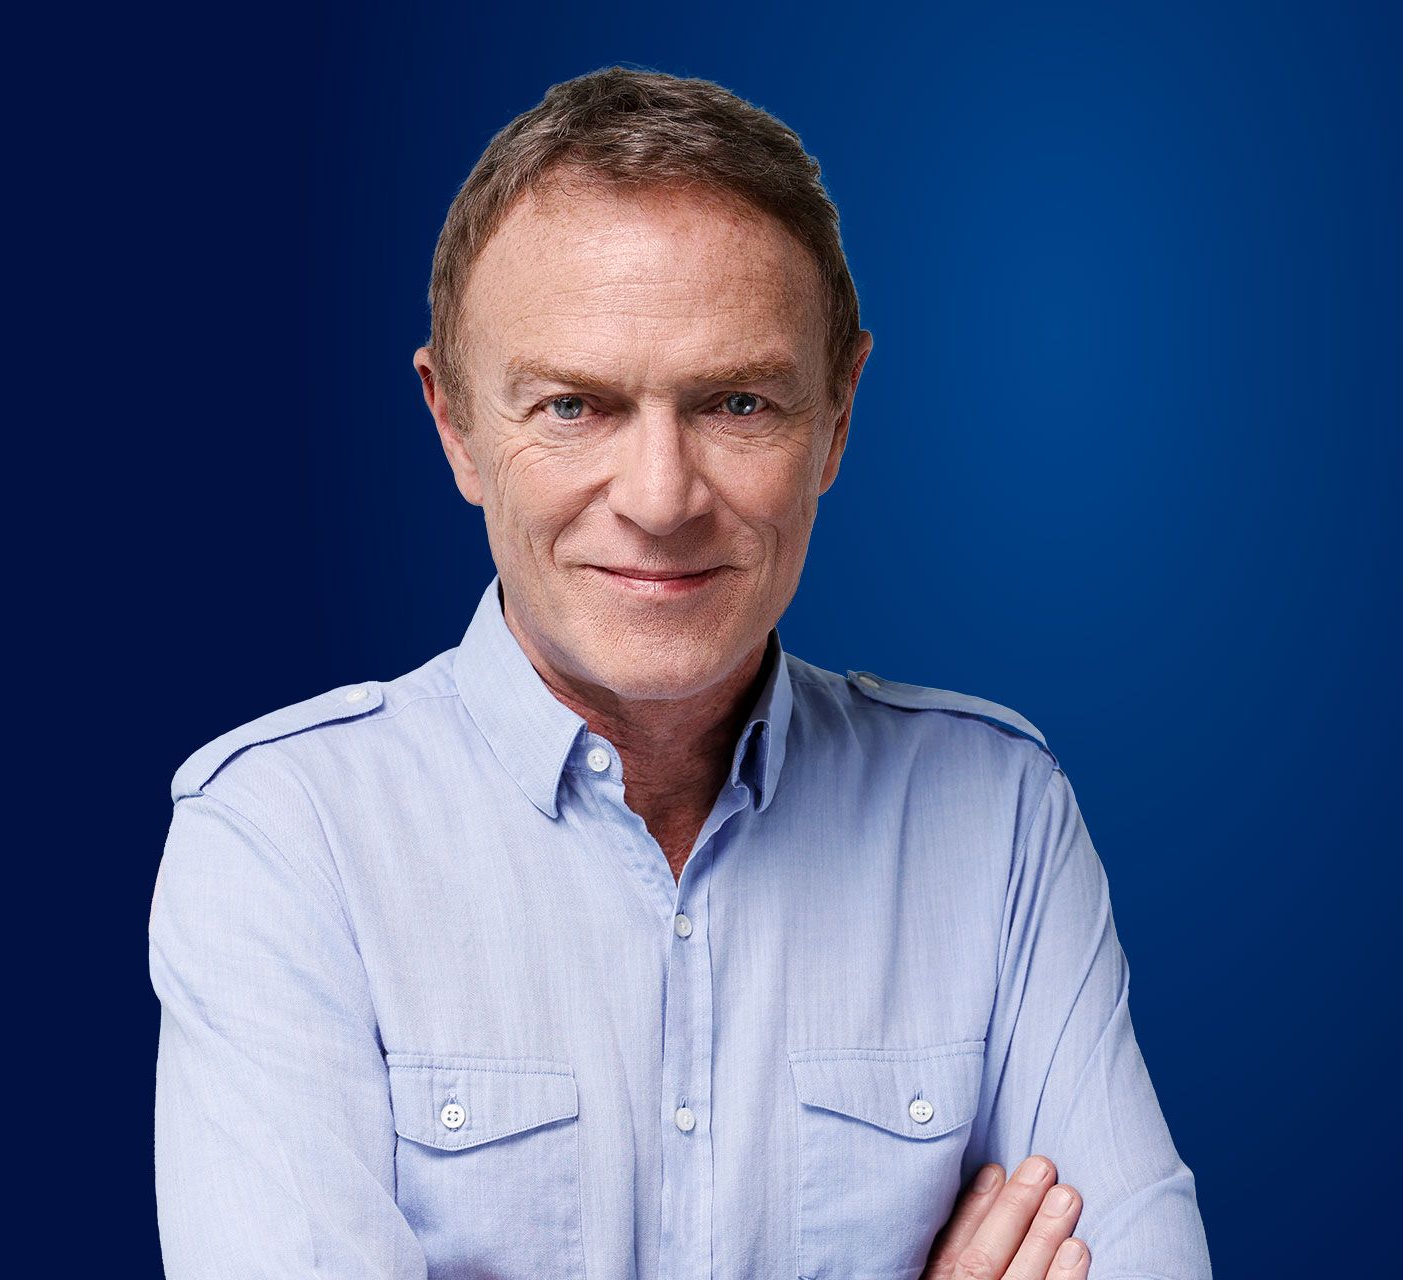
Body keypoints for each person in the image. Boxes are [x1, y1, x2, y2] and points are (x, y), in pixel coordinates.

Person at [148, 67, 1211, 1279]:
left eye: (736, 402)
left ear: (837, 416)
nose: (660, 499)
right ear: (456, 427)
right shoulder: (284, 835)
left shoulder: (998, 812)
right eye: (574, 406)